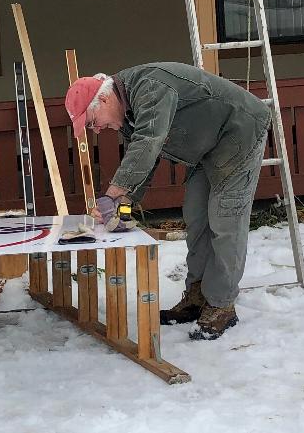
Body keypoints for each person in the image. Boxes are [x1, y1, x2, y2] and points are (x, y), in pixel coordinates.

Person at [64, 61, 270, 340]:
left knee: (225, 220)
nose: (96, 130)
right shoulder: (127, 110)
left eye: (91, 122)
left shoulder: (150, 87)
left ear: (103, 98)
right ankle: (197, 296)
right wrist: (122, 207)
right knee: (196, 217)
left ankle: (221, 305)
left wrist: (112, 194)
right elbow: (146, 159)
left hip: (238, 131)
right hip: (207, 145)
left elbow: (149, 141)